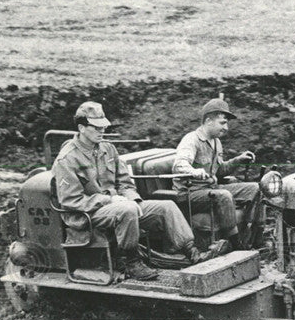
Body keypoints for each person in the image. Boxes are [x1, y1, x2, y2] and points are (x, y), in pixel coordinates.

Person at [53, 101, 203, 282]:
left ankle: (191, 252)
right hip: (86, 213)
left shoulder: (108, 149)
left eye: (104, 127)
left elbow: (125, 182)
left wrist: (133, 199)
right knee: (127, 211)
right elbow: (71, 200)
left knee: (165, 207)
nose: (102, 131)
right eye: (96, 127)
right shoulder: (67, 159)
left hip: (117, 206)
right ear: (81, 128)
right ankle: (131, 261)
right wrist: (111, 200)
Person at [172, 97, 260, 250]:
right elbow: (179, 165)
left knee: (256, 188)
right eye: (223, 123)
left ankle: (255, 236)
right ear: (208, 121)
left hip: (211, 188)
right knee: (224, 195)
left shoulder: (216, 142)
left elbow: (219, 171)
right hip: (190, 193)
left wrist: (238, 160)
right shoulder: (192, 140)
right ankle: (236, 244)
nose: (226, 128)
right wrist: (194, 171)